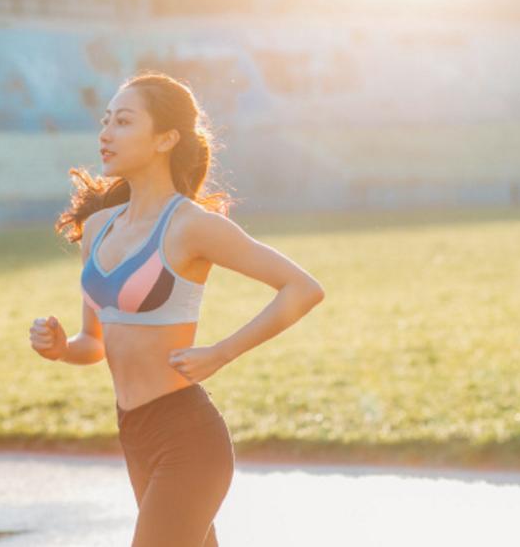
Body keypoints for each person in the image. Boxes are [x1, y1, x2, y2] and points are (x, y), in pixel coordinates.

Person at [30, 71, 325, 546]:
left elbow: (302, 288)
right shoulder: (99, 228)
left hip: (188, 437)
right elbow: (94, 345)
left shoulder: (191, 226)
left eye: (123, 122)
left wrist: (222, 352)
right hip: (134, 432)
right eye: (105, 121)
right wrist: (61, 348)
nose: (105, 133)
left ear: (166, 138)